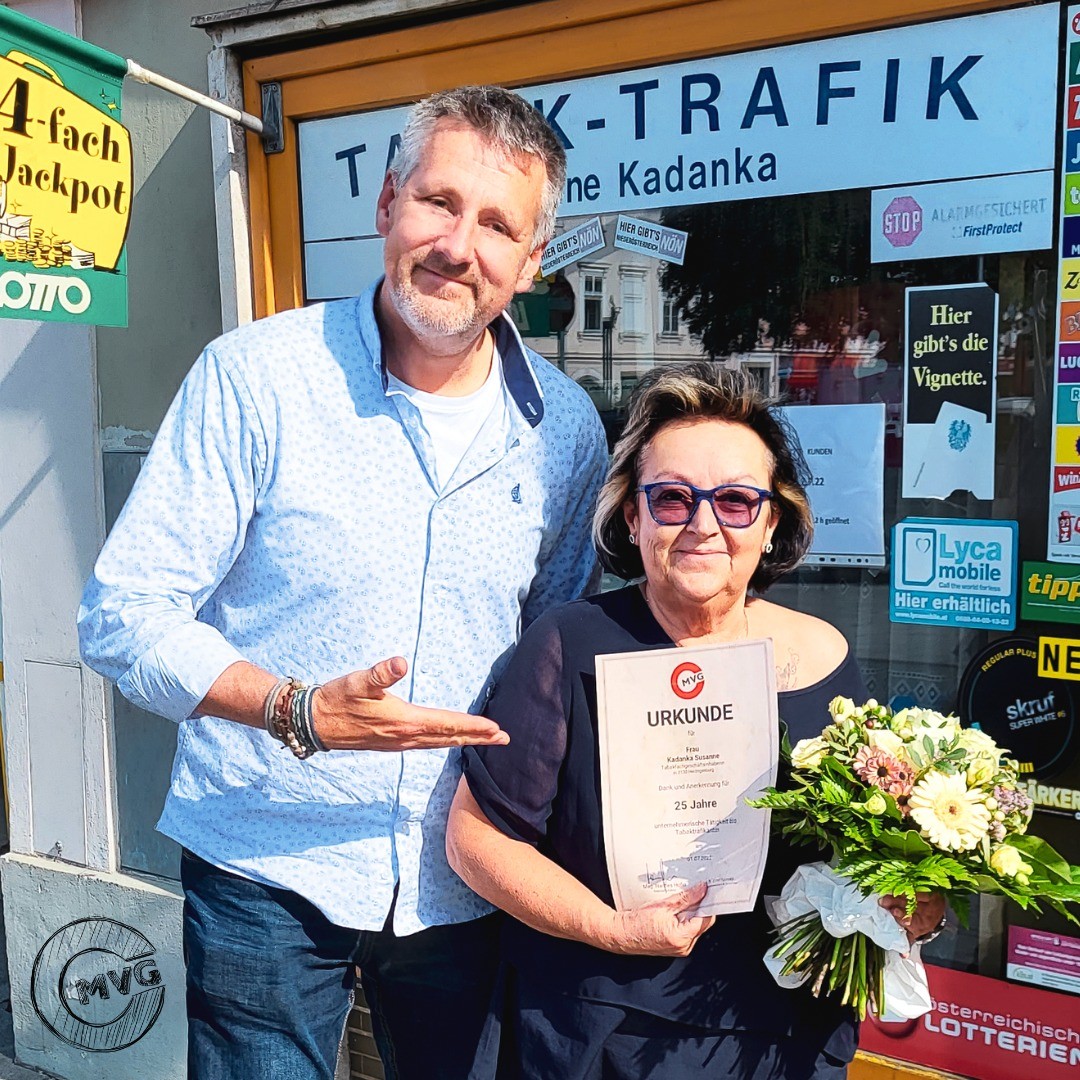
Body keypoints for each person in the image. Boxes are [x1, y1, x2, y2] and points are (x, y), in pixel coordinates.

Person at [78, 85, 607, 1080]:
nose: (459, 244)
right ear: (386, 203)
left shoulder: (565, 431)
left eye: (498, 224)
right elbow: (123, 615)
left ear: (532, 261)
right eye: (439, 203)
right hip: (263, 865)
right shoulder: (257, 379)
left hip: (464, 870)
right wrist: (296, 707)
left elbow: (557, 648)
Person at [447, 364, 943, 1080]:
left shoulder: (823, 657)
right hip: (598, 1031)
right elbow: (477, 840)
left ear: (772, 522)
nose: (703, 524)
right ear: (632, 516)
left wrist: (911, 897)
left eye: (737, 501)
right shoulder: (569, 644)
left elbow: (855, 855)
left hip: (778, 1036)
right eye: (673, 498)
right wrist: (612, 929)